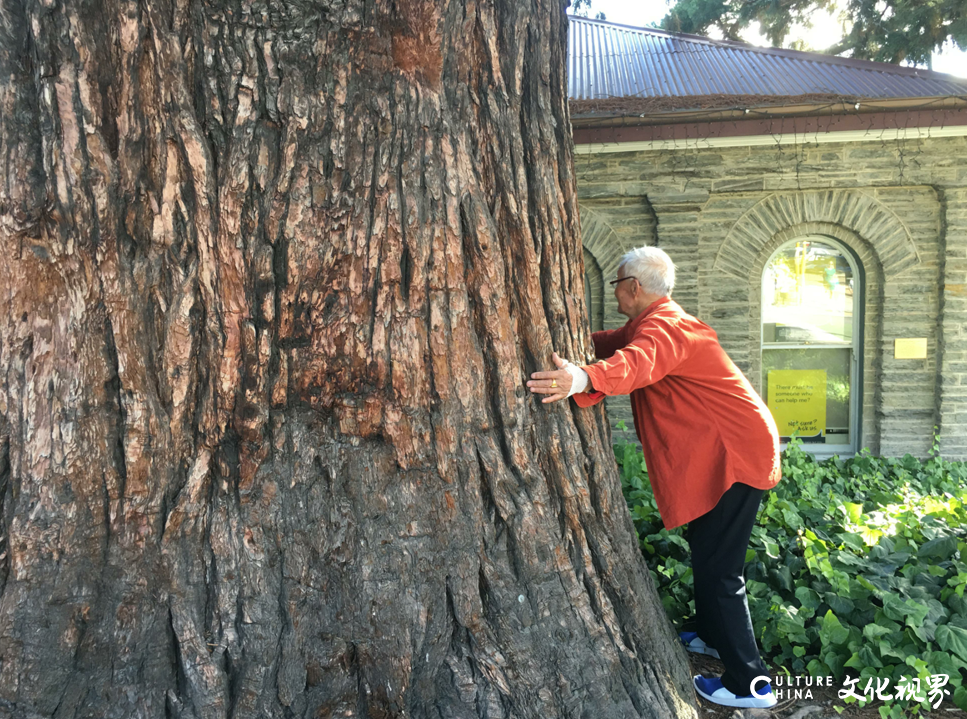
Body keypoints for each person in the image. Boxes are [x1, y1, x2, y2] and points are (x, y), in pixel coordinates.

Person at [526, 246, 781, 710]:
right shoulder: (652, 321)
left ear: (633, 287)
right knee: (707, 549)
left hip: (735, 454)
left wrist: (583, 378)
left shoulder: (665, 326)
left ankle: (751, 684)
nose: (616, 291)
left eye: (617, 283)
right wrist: (571, 346)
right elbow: (616, 343)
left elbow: (638, 361)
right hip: (731, 448)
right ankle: (708, 636)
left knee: (720, 568)